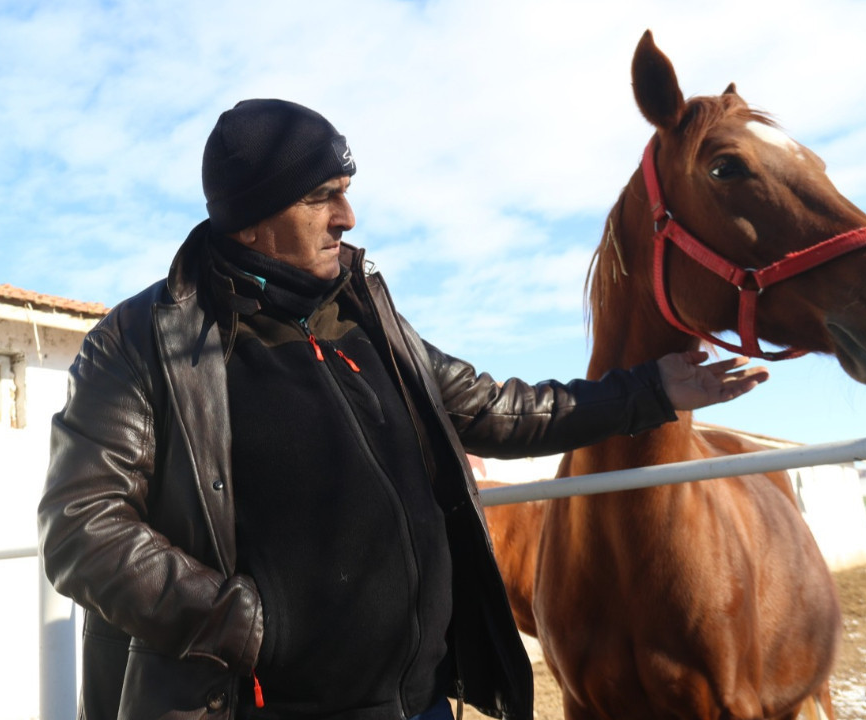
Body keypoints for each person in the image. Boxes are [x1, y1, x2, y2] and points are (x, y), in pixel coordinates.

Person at [37, 99, 768, 720]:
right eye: (321, 195)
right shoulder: (142, 341)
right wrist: (251, 625)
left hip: (418, 700)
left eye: (346, 191)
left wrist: (652, 393)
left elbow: (493, 409)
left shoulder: (364, 316)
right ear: (252, 221)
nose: (347, 216)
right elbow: (82, 529)